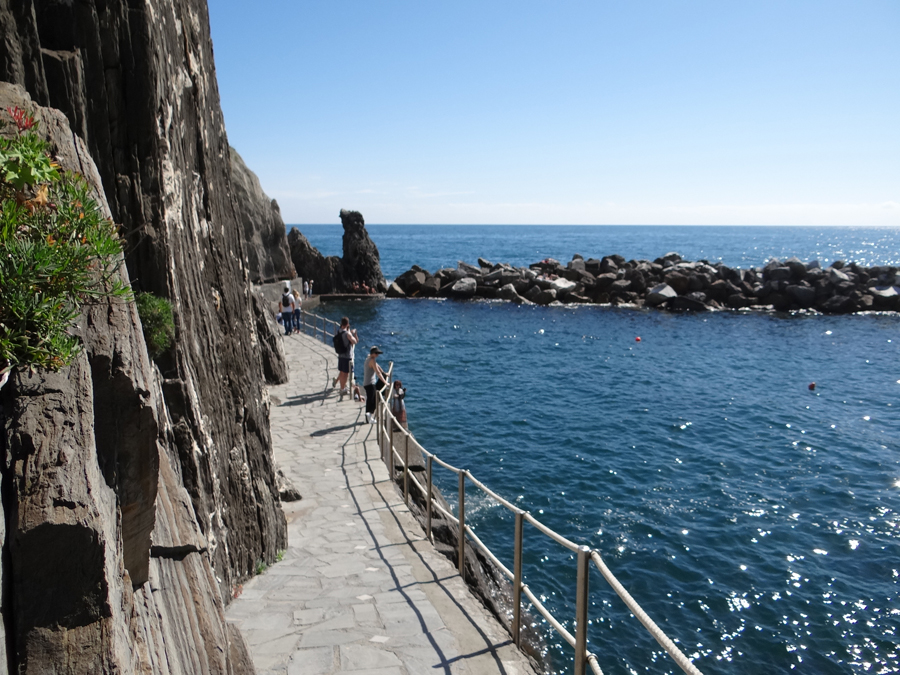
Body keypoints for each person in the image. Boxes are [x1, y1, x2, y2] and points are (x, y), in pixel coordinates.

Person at [363, 346, 388, 424]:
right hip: (370, 383)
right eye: (376, 353)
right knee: (373, 400)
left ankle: (368, 417)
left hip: (367, 383)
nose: (378, 355)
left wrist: (384, 373)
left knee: (370, 400)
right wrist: (385, 382)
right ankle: (369, 416)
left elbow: (378, 367)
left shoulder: (369, 358)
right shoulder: (372, 360)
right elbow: (377, 372)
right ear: (373, 354)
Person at [336, 317, 358, 395]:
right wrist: (354, 334)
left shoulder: (338, 331)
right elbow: (354, 341)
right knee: (346, 373)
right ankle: (343, 389)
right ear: (347, 324)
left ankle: (342, 387)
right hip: (347, 355)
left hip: (340, 354)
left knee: (341, 372)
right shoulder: (347, 333)